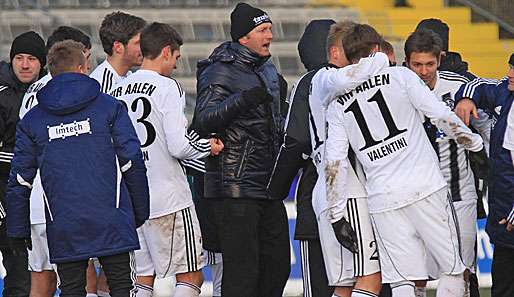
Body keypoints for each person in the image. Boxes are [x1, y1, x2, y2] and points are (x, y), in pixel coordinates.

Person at [324, 24, 483, 297]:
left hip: (383, 197)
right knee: (454, 270)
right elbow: (440, 115)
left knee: (402, 281)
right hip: (426, 187)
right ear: (376, 50)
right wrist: (475, 144)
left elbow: (334, 162)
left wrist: (337, 215)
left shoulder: (337, 103)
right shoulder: (400, 77)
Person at [6, 40, 149, 297]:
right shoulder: (110, 107)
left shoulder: (33, 120)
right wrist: (140, 211)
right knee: (122, 288)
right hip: (112, 217)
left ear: (51, 71)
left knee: (71, 290)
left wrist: (17, 229)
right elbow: (132, 162)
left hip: (64, 222)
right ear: (83, 67)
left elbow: (19, 180)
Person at [110, 22, 223, 297]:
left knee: (142, 278)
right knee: (190, 275)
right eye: (175, 57)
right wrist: (208, 147)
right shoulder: (167, 87)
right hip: (169, 198)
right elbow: (179, 146)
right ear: (164, 51)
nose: (175, 64)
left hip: (132, 198)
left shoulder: (118, 89)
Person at [193, 2, 290, 296]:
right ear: (243, 37)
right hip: (235, 187)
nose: (270, 35)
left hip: (267, 185)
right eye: (262, 30)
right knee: (242, 274)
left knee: (278, 266)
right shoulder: (220, 70)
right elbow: (202, 119)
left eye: (270, 29)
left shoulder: (268, 68)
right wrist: (245, 99)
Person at [405, 28, 490, 297]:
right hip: (414, 194)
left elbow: (487, 122)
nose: (423, 71)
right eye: (416, 64)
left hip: (458, 191)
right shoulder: (396, 86)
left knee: (461, 269)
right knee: (415, 274)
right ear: (406, 62)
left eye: (429, 64)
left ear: (439, 60)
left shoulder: (459, 87)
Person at [17, 26, 92, 297]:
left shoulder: (33, 91)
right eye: (84, 57)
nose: (87, 65)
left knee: (42, 279)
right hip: (65, 200)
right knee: (81, 277)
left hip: (36, 202)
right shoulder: (72, 92)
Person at [454, 53, 514, 297]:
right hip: (503, 216)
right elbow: (476, 84)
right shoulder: (503, 91)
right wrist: (466, 98)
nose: (510, 73)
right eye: (511, 67)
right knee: (502, 287)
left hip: (509, 213)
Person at [0, 30, 46, 297]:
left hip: (37, 202)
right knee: (19, 280)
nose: (25, 64)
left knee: (38, 279)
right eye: (19, 57)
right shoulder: (2, 94)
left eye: (31, 58)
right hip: (6, 201)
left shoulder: (49, 92)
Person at [90, 11, 146, 93]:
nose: (144, 47)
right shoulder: (100, 85)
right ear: (118, 47)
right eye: (138, 43)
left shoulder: (129, 76)